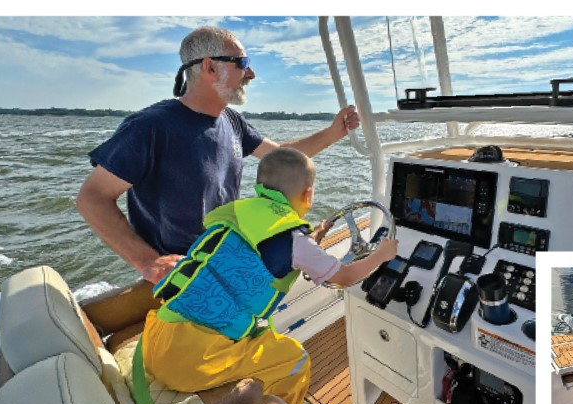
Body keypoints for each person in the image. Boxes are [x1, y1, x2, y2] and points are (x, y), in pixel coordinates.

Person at [77, 26, 360, 285]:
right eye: (243, 64)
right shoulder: (150, 126)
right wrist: (147, 261)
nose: (251, 74)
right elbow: (93, 197)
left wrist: (334, 132)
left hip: (225, 263)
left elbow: (282, 158)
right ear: (210, 67)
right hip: (182, 278)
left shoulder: (232, 121)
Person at [140, 147, 398, 404]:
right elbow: (344, 277)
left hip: (158, 337)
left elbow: (260, 253)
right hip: (192, 361)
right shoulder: (296, 241)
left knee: (263, 326)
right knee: (296, 360)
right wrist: (381, 255)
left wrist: (313, 239)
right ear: (308, 195)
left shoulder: (239, 213)